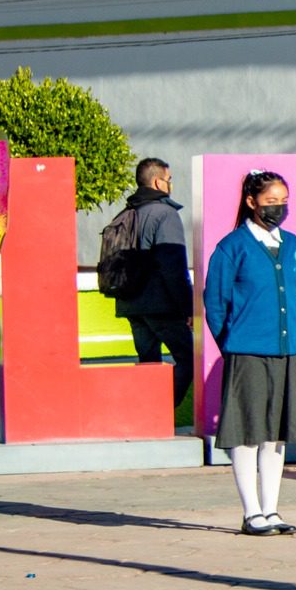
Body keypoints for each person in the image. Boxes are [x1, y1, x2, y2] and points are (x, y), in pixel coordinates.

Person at [203, 170, 296, 537]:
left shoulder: (293, 245)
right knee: (247, 432)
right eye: (270, 201)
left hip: (287, 349)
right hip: (247, 351)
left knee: (275, 435)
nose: (278, 208)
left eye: (283, 201)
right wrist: (233, 343)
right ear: (251, 202)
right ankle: (251, 512)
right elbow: (215, 304)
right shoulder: (231, 248)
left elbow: (295, 293)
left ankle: (272, 508)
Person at [112, 157, 194, 409]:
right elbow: (174, 266)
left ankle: (148, 418)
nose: (170, 185)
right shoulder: (165, 214)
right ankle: (164, 410)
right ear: (158, 182)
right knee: (188, 358)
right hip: (161, 305)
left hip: (131, 305)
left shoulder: (125, 213)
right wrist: (188, 307)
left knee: (148, 363)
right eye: (169, 180)